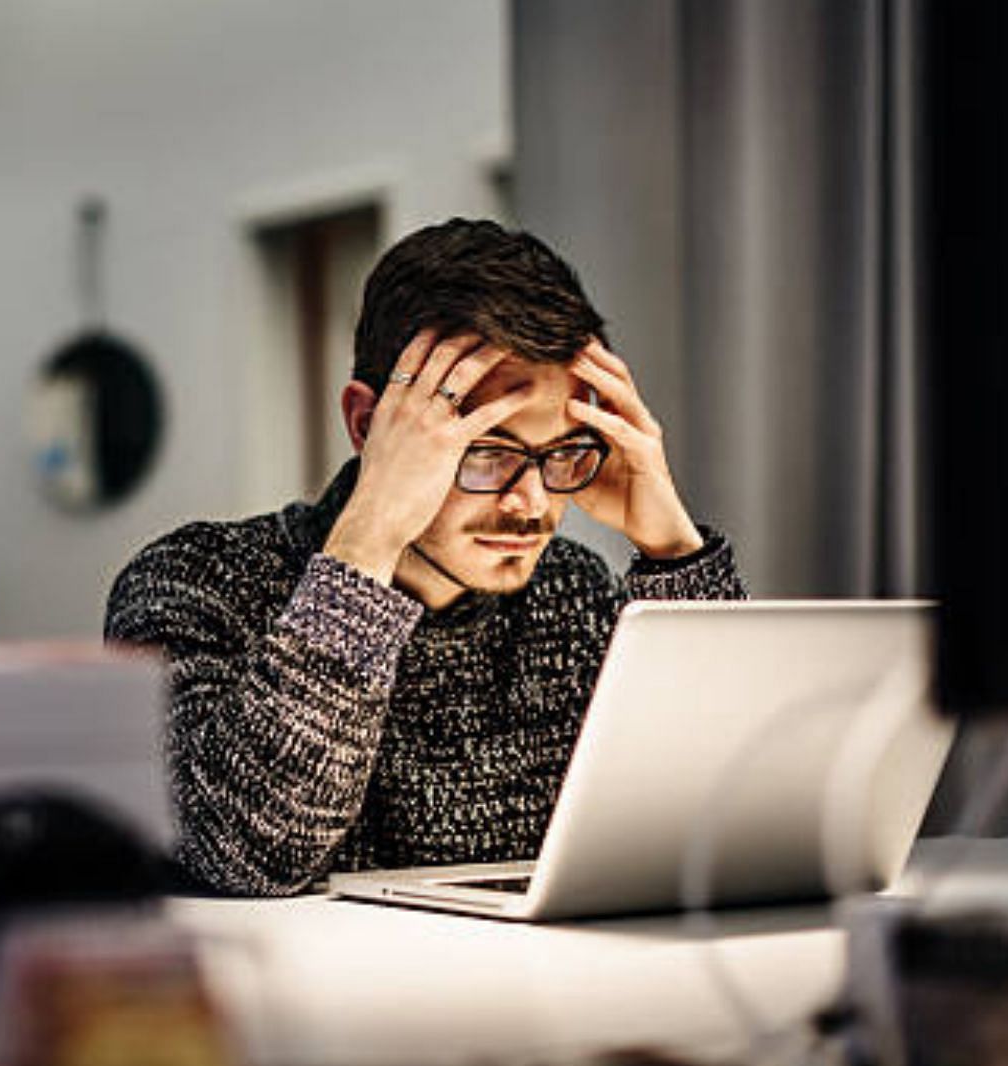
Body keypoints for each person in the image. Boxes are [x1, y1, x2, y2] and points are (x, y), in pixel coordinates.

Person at [104, 219, 746, 896]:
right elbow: (246, 858)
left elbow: (734, 814)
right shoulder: (195, 582)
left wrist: (675, 552)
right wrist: (370, 537)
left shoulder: (576, 593)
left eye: (560, 452)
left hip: (546, 993)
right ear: (366, 425)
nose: (530, 503)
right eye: (487, 451)